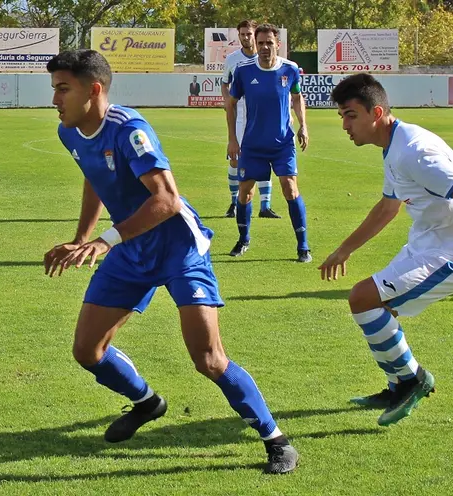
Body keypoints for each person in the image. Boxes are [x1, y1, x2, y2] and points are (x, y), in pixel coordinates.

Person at [42, 49, 299, 474]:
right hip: (131, 248)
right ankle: (147, 403)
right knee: (87, 350)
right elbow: (95, 176)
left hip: (179, 248)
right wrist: (81, 239)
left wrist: (105, 241)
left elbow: (166, 199)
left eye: (62, 89)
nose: (55, 100)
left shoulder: (130, 130)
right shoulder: (69, 133)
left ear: (94, 89)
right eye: (54, 90)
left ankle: (276, 440)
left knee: (209, 359)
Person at [318, 73, 453, 426]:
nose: (344, 125)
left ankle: (413, 380)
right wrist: (345, 249)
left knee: (362, 299)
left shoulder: (414, 152)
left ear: (376, 112)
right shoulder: (394, 145)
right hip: (427, 243)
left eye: (350, 115)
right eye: (341, 116)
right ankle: (397, 384)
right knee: (373, 307)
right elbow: (389, 207)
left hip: (452, 254)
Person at [225, 23, 311, 262]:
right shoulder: (243, 71)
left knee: (290, 189)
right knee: (245, 193)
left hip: (283, 143)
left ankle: (303, 246)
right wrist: (233, 139)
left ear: (278, 44)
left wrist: (303, 124)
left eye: (269, 43)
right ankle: (243, 239)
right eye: (260, 43)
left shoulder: (290, 69)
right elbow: (230, 104)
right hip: (252, 145)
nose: (264, 47)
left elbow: (296, 96)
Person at [221, 20, 279, 219]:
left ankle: (265, 205)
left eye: (249, 34)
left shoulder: (266, 58)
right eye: (242, 34)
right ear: (238, 36)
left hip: (261, 115)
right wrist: (229, 102)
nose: (246, 38)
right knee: (235, 159)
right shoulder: (232, 60)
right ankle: (234, 202)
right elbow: (224, 83)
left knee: (265, 158)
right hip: (239, 116)